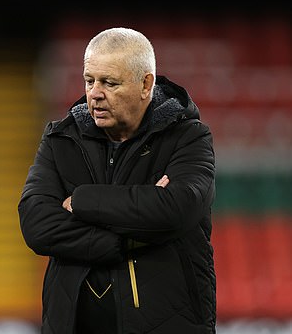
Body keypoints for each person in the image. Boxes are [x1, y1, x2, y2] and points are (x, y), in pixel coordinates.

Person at [18, 27, 216, 333]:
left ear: (145, 84)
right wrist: (131, 238)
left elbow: (178, 208)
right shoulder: (61, 139)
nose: (95, 93)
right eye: (89, 81)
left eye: (110, 83)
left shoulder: (189, 137)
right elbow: (37, 225)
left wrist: (82, 201)